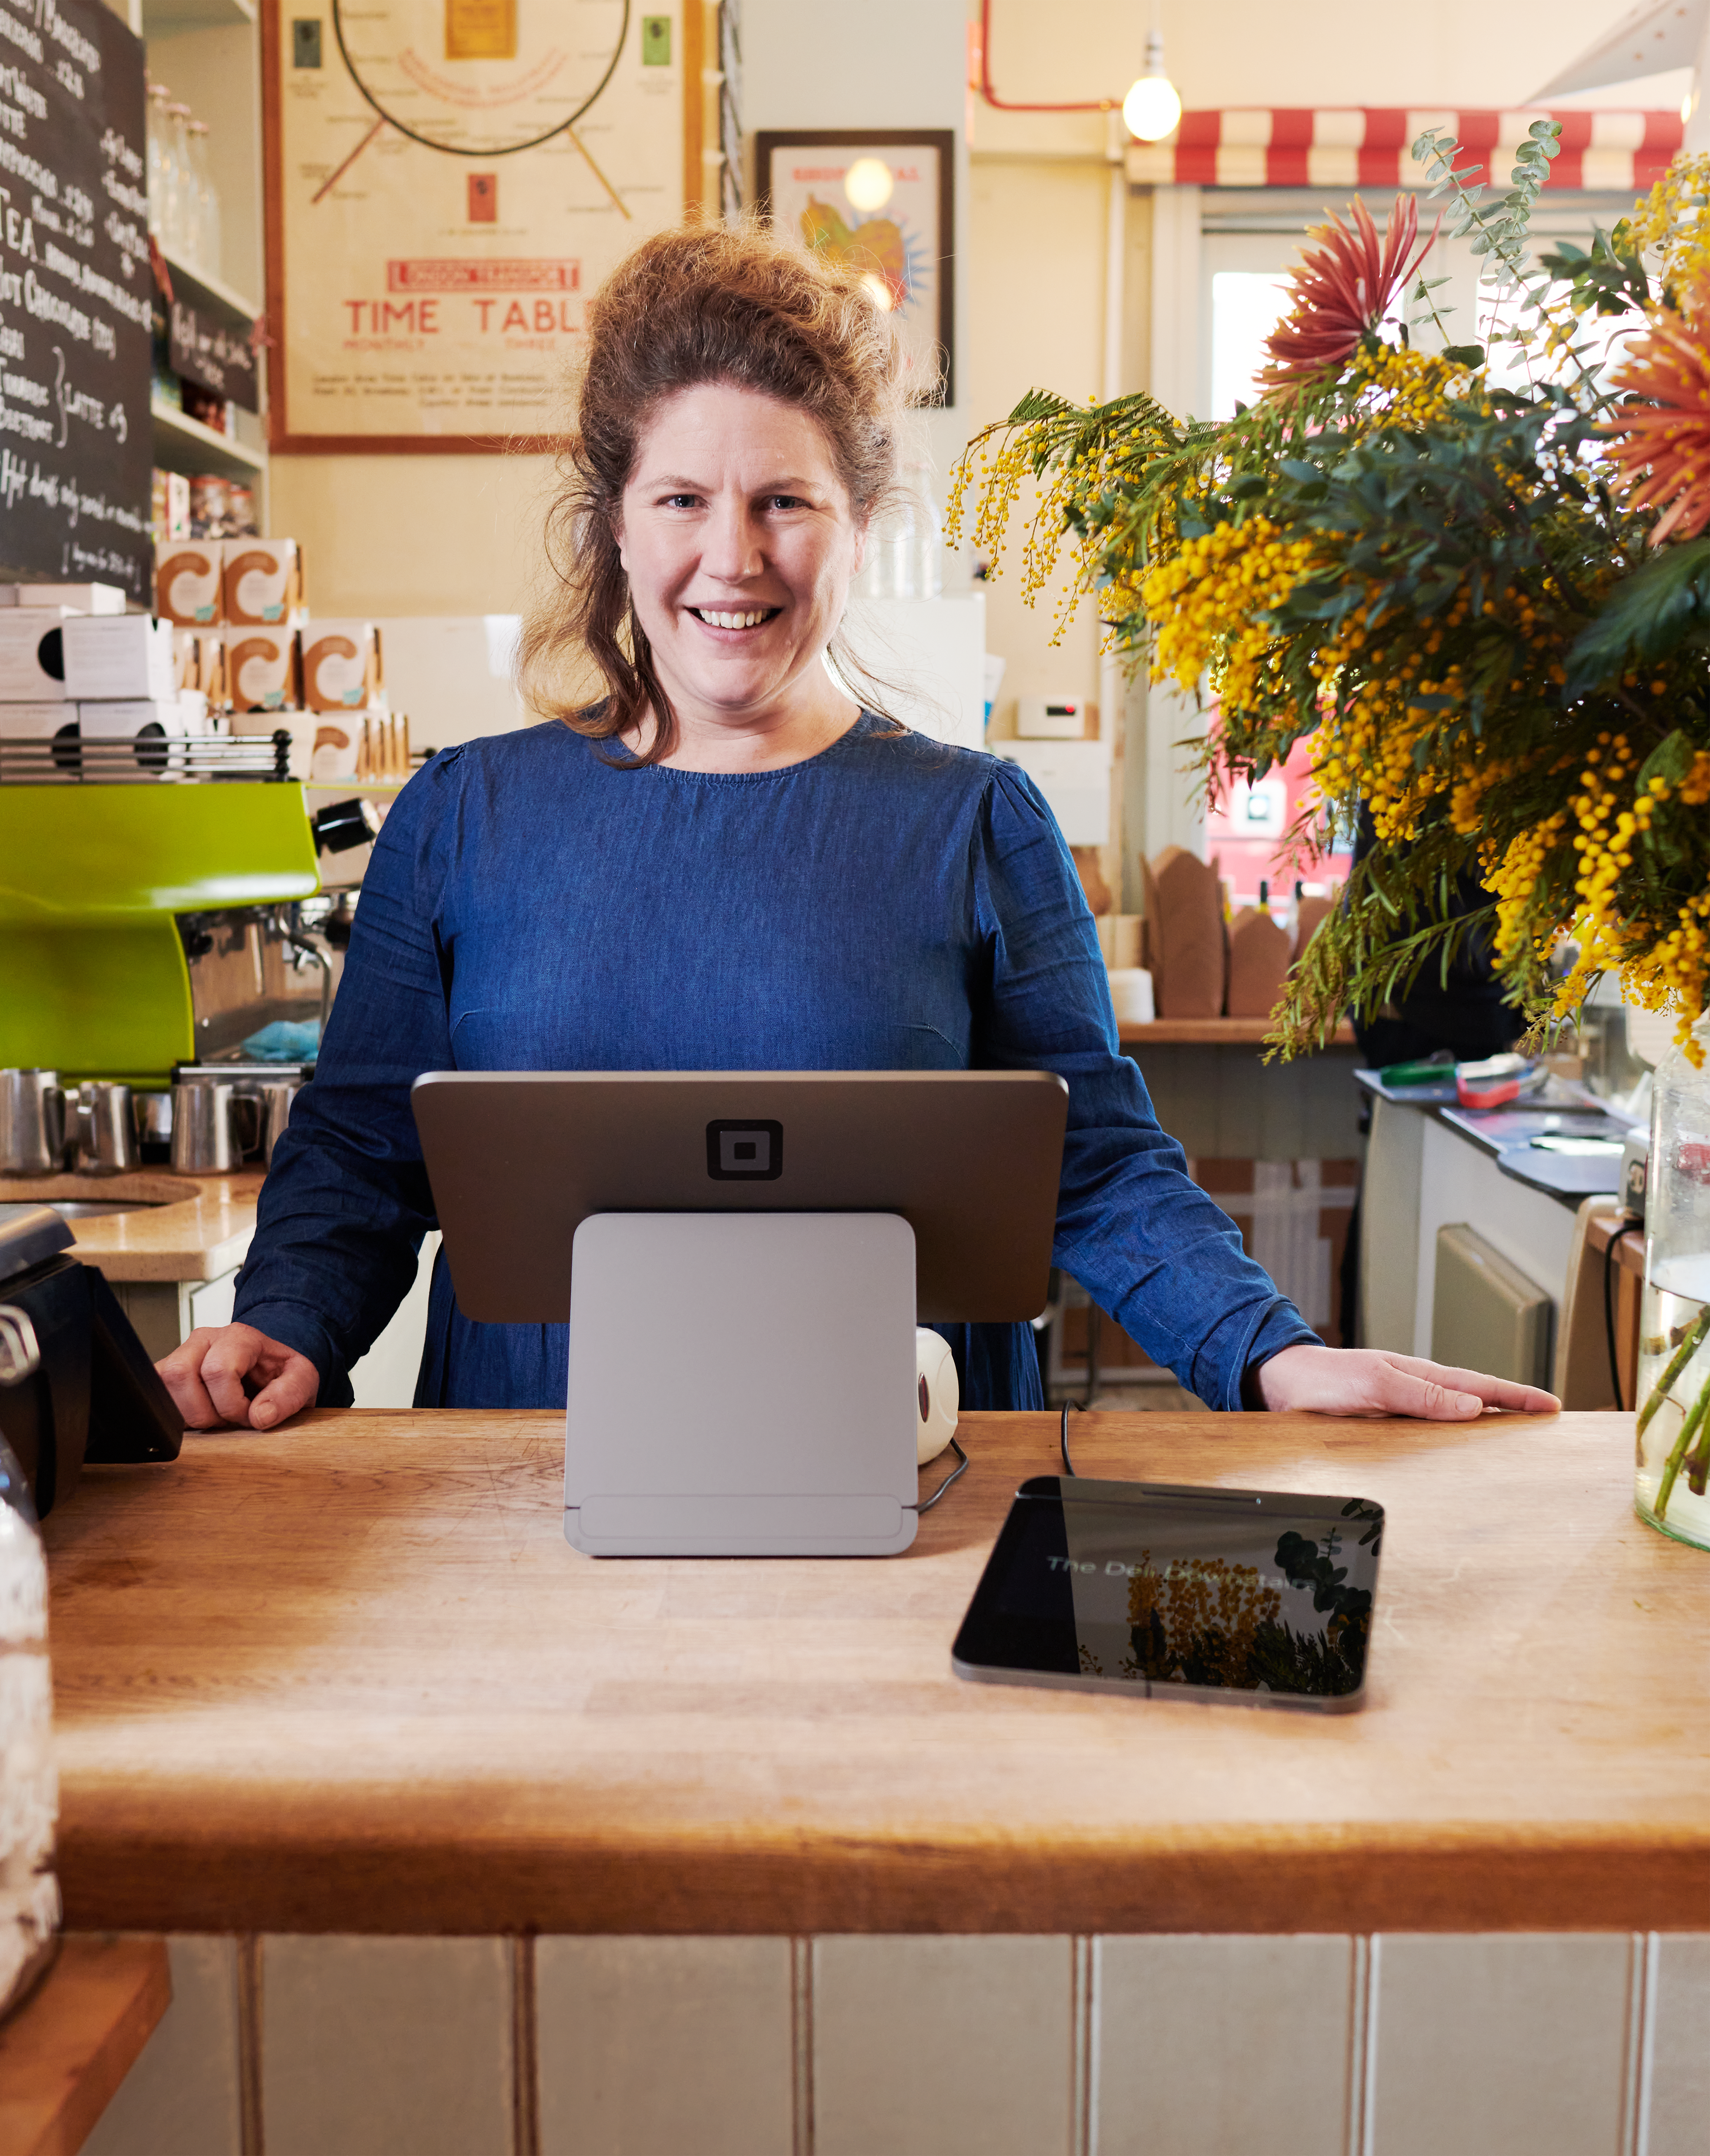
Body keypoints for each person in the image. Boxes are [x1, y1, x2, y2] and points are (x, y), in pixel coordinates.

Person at [156, 224, 1557, 1433]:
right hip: (536, 1479)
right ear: (614, 526)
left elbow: (1093, 1158)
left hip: (914, 1483)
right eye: (684, 502)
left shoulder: (972, 820)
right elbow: (358, 1154)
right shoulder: (464, 816)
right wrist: (286, 1319)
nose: (733, 556)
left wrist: (1269, 1350)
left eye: (785, 502)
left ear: (862, 518)